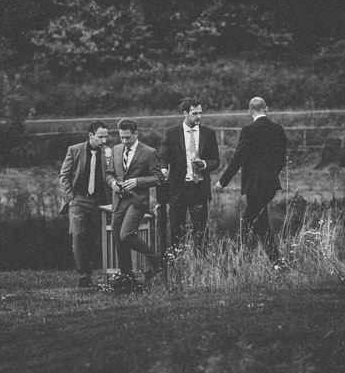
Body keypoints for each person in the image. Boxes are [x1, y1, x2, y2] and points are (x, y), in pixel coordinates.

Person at [217, 96, 288, 264]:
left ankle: (238, 262)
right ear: (266, 109)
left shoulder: (249, 130)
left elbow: (238, 158)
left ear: (249, 111)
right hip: (270, 185)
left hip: (254, 186)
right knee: (260, 223)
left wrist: (223, 181)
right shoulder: (278, 129)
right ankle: (275, 263)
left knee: (249, 221)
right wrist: (272, 174)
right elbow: (281, 159)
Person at [105, 118, 165, 282]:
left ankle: (156, 259)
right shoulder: (116, 150)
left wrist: (137, 181)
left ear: (136, 134)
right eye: (122, 137)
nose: (124, 141)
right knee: (119, 239)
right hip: (119, 200)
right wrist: (113, 184)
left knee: (126, 234)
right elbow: (109, 174)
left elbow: (158, 178)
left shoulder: (149, 152)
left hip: (137, 201)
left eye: (128, 137)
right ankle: (127, 277)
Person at [159, 98, 221, 250]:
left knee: (201, 232)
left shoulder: (209, 133)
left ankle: (199, 266)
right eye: (195, 113)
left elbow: (216, 161)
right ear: (185, 113)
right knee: (176, 230)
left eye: (200, 113)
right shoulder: (172, 133)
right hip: (179, 188)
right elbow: (163, 157)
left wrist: (205, 164)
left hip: (199, 187)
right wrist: (163, 169)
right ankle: (177, 264)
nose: (199, 117)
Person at [59, 121, 113, 288]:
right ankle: (83, 277)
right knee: (77, 234)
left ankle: (89, 275)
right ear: (91, 136)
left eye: (106, 136)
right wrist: (71, 198)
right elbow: (64, 176)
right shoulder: (74, 150)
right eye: (100, 137)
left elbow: (112, 175)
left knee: (92, 238)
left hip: (99, 202)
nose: (104, 140)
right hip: (79, 200)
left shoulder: (109, 152)